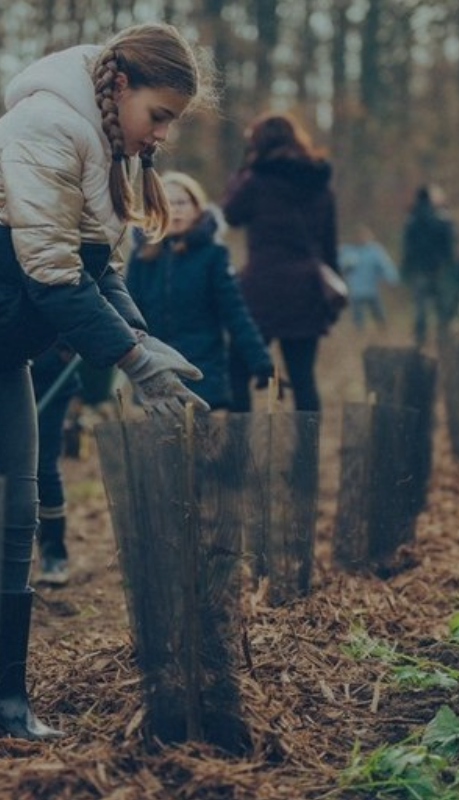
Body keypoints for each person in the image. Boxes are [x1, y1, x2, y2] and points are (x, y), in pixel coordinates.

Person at [0, 23, 215, 740]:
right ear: (119, 85)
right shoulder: (45, 125)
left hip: (9, 357)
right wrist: (131, 360)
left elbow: (101, 270)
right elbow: (53, 280)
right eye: (159, 115)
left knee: (19, 514)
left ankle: (7, 700)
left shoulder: (99, 145)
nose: (160, 135)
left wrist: (144, 338)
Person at [222, 112, 339, 412]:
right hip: (306, 289)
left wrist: (243, 167)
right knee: (303, 379)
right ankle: (306, 455)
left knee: (237, 370)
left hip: (261, 289)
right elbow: (329, 245)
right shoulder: (321, 184)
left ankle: (239, 451)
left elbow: (231, 214)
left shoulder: (256, 180)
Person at [127, 172, 273, 410]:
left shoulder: (213, 255)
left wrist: (260, 360)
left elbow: (235, 312)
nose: (175, 210)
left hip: (204, 370)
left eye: (182, 202)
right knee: (164, 444)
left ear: (196, 208)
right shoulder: (142, 257)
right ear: (156, 209)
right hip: (158, 370)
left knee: (200, 443)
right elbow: (129, 311)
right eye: (168, 203)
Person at [31, 347, 82, 587]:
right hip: (7, 374)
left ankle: (53, 555)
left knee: (42, 465)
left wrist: (65, 348)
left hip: (49, 376)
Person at [400, 184, 455, 346]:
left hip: (418, 269)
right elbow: (447, 244)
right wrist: (449, 264)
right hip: (437, 267)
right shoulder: (441, 218)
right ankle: (443, 339)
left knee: (419, 307)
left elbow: (407, 247)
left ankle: (420, 339)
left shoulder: (411, 219)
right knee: (441, 306)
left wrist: (406, 268)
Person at [339, 224, 398, 330]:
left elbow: (385, 265)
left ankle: (383, 332)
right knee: (358, 317)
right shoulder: (347, 251)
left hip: (371, 289)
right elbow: (339, 266)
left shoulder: (374, 251)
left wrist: (392, 279)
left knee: (378, 314)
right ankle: (359, 336)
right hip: (355, 290)